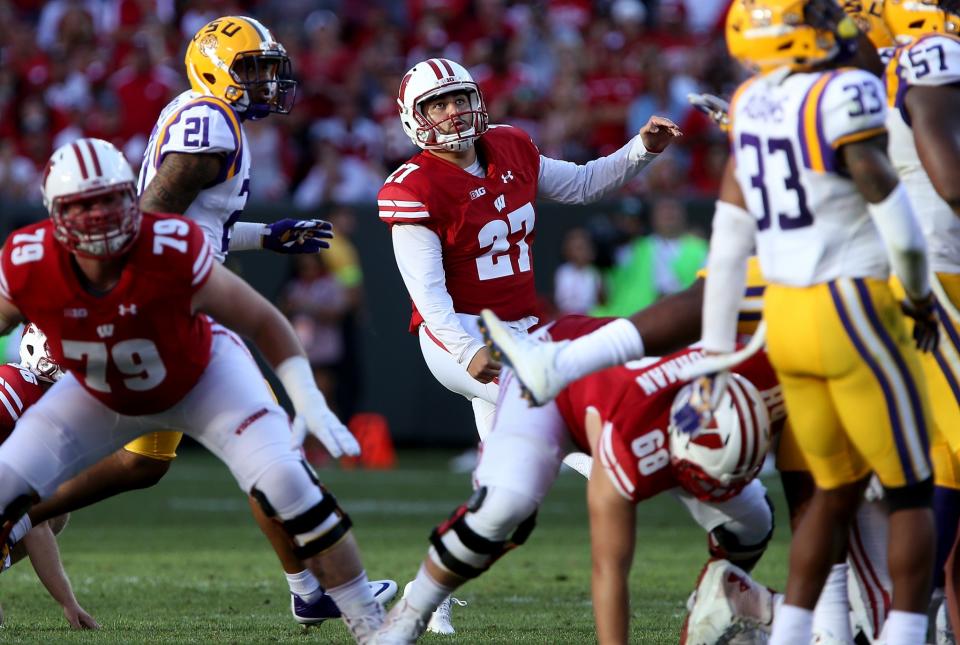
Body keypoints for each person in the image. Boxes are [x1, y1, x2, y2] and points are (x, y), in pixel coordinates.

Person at [2, 16, 395, 626]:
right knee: (274, 458)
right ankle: (318, 590)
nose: (266, 81)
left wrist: (267, 236)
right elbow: (155, 216)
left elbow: (195, 224)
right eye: (252, 69)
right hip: (171, 316)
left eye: (267, 67)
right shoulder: (211, 121)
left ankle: (20, 516)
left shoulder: (207, 115)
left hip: (170, 307)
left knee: (144, 462)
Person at [377, 56, 681, 632]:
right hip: (460, 338)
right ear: (413, 118)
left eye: (458, 98)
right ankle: (612, 463)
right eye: (436, 104)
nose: (451, 112)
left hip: (522, 330)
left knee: (505, 508)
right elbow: (430, 297)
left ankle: (425, 593)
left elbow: (588, 182)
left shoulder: (512, 147)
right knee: (568, 428)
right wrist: (470, 355)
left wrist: (642, 148)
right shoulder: (413, 188)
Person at [699, 2, 936, 643]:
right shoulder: (848, 90)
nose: (834, 20)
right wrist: (917, 293)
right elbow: (887, 200)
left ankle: (794, 635)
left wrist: (716, 351)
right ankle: (908, 634)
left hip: (786, 314)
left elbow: (726, 242)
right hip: (852, 304)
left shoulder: (747, 100)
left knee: (830, 494)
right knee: (913, 491)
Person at [373, 316, 781, 644]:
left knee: (755, 520)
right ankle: (410, 615)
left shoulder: (756, 367)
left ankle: (715, 596)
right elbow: (609, 569)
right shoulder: (632, 442)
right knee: (504, 508)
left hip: (632, 385)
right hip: (549, 387)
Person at [0, 324, 98, 630]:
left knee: (56, 508)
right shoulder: (14, 384)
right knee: (38, 510)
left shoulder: (52, 399)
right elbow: (34, 521)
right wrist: (69, 603)